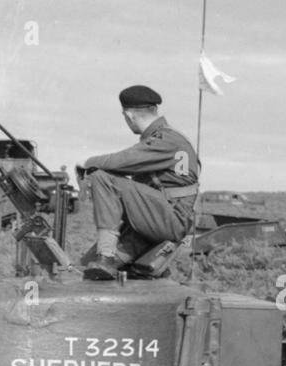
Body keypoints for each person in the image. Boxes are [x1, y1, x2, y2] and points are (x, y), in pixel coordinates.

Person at [79, 85, 200, 280]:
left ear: (129, 115)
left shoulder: (167, 140)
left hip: (168, 219)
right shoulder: (163, 139)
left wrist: (87, 163)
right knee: (85, 269)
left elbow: (124, 160)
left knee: (102, 176)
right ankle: (111, 261)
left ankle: (107, 255)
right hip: (153, 219)